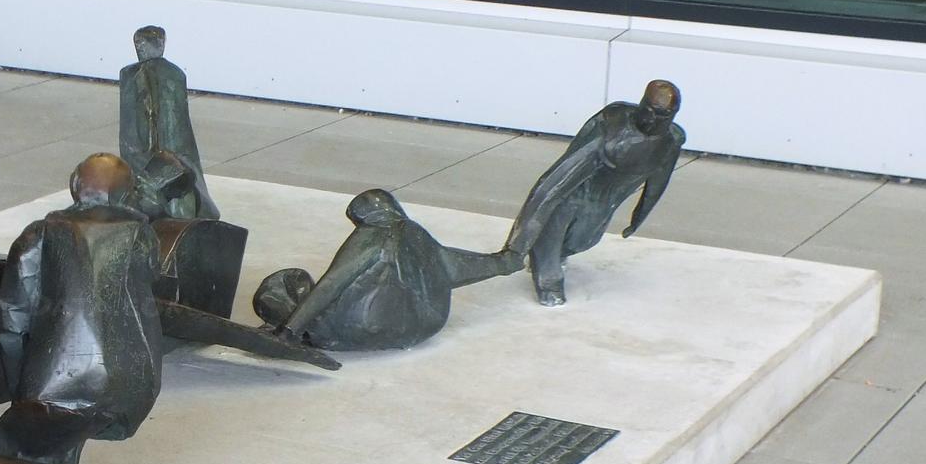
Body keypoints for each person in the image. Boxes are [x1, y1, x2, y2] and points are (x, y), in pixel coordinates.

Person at [0, 154, 164, 464]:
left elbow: (13, 318)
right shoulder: (143, 237)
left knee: (26, 441)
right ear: (128, 193)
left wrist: (18, 386)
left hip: (60, 379)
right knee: (70, 425)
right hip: (133, 380)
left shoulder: (40, 234)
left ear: (75, 186)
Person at [254, 189, 518, 350]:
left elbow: (333, 283)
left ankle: (302, 329)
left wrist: (289, 331)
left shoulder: (372, 234)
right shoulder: (418, 235)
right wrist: (504, 262)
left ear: (363, 216)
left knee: (282, 284)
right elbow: (456, 265)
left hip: (360, 328)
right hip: (424, 327)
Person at [502, 80, 685, 306]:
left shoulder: (672, 139)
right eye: (651, 112)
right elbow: (553, 183)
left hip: (605, 200)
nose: (654, 120)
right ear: (642, 106)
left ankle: (552, 254)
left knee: (583, 240)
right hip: (577, 188)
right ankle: (548, 279)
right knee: (554, 228)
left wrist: (638, 217)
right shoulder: (611, 126)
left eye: (664, 116)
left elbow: (659, 180)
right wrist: (518, 243)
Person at [118, 25, 221, 221]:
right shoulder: (135, 75)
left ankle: (171, 202)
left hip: (168, 145)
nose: (140, 48)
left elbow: (176, 122)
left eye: (142, 44)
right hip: (147, 146)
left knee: (172, 173)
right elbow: (130, 128)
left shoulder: (171, 75)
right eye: (138, 44)